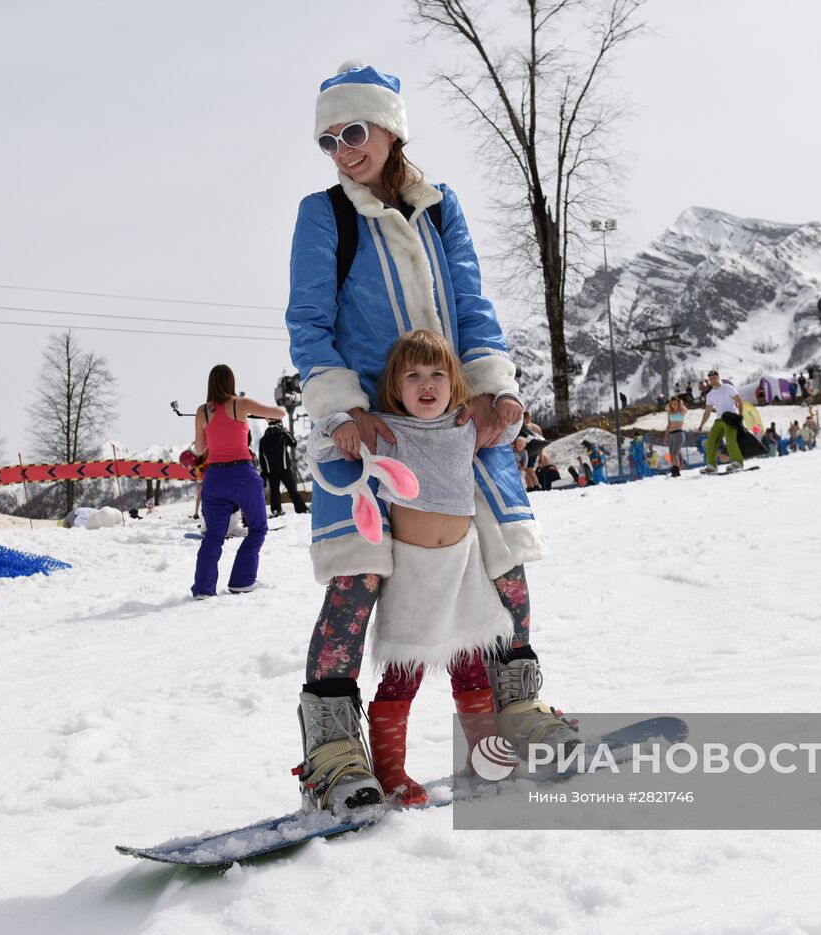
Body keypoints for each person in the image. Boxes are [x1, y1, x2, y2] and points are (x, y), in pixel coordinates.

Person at [285, 62, 565, 817]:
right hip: (370, 436)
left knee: (501, 560)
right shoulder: (325, 216)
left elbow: (471, 304)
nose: (342, 150)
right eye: (328, 139)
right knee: (358, 578)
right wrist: (343, 410)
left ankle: (519, 709)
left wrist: (496, 391)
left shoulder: (442, 211)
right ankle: (334, 748)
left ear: (390, 128)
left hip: (457, 420)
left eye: (354, 131)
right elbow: (308, 324)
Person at [308, 330, 524, 806]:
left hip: (463, 566)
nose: (427, 385)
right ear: (395, 385)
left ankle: (485, 758)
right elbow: (320, 447)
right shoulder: (386, 431)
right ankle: (391, 772)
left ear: (454, 383)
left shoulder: (466, 423)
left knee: (470, 665)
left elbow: (508, 427)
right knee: (404, 673)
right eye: (413, 376)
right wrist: (341, 424)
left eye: (437, 375)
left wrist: (507, 400)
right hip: (413, 573)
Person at [190, 365, 287, 598]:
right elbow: (280, 413)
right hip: (242, 475)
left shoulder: (202, 412)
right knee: (257, 528)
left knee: (213, 535)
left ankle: (203, 588)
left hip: (214, 478)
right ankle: (242, 580)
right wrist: (262, 412)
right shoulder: (240, 404)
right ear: (231, 382)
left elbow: (201, 448)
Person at [696, 370, 745, 474]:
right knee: (711, 442)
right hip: (719, 419)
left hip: (730, 418)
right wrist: (701, 425)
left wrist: (740, 415)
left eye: (715, 378)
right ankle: (711, 466)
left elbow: (739, 400)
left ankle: (737, 463)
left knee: (730, 439)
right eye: (711, 379)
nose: (713, 380)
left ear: (718, 378)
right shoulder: (710, 395)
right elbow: (707, 411)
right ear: (708, 381)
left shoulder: (728, 388)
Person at [258, 420, 309, 517]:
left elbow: (262, 457)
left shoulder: (263, 439)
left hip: (270, 470)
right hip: (284, 468)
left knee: (274, 491)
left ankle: (276, 510)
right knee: (292, 490)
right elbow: (293, 443)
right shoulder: (282, 435)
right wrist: (286, 432)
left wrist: (264, 472)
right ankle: (301, 509)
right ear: (279, 424)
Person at [662, 396, 688, 477]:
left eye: (676, 403)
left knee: (675, 453)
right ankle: (674, 469)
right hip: (671, 435)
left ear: (678, 403)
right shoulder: (670, 413)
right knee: (671, 453)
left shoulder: (681, 411)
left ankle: (676, 471)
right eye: (672, 404)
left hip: (679, 433)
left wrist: (681, 403)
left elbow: (685, 410)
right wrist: (666, 437)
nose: (674, 405)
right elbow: (668, 426)